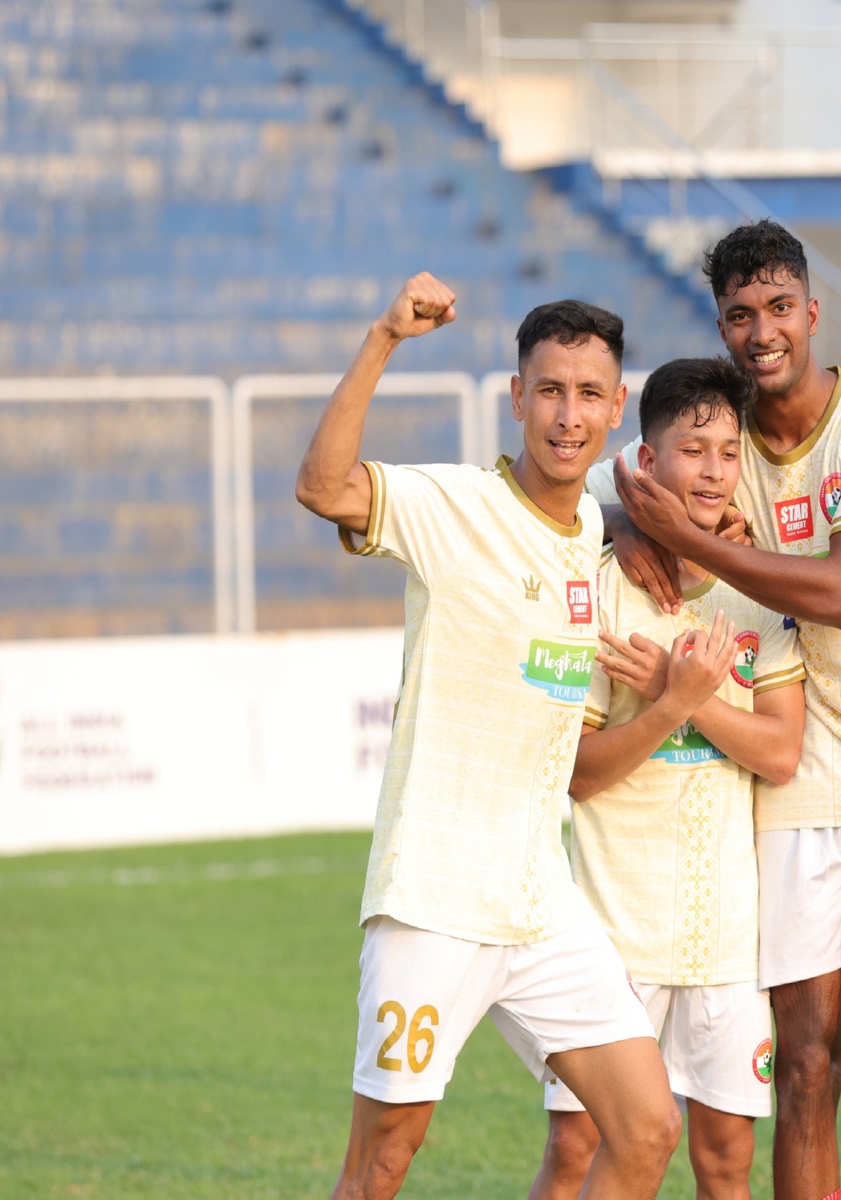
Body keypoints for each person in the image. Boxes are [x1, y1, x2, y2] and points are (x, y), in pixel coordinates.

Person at [592, 221, 841, 1200]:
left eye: (775, 309)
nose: (759, 330)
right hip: (788, 785)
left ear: (811, 313)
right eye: (737, 315)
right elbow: (577, 486)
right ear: (721, 328)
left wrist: (686, 537)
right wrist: (627, 515)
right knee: (806, 1065)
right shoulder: (711, 437)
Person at [296, 273, 681, 1200]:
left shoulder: (592, 522)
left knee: (646, 1128)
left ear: (616, 408)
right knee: (381, 1162)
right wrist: (386, 335)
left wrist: (658, 528)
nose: (567, 413)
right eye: (549, 389)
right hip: (433, 897)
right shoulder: (453, 507)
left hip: (540, 899)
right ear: (516, 397)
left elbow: (594, 525)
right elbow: (323, 486)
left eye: (589, 394)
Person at [528, 357, 807, 1200]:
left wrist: (682, 697)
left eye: (730, 450)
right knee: (578, 1150)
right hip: (611, 939)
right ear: (646, 464)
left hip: (724, 940)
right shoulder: (601, 593)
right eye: (694, 448)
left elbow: (781, 753)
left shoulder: (762, 590)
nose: (716, 469)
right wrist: (666, 707)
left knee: (725, 1166)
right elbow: (577, 776)